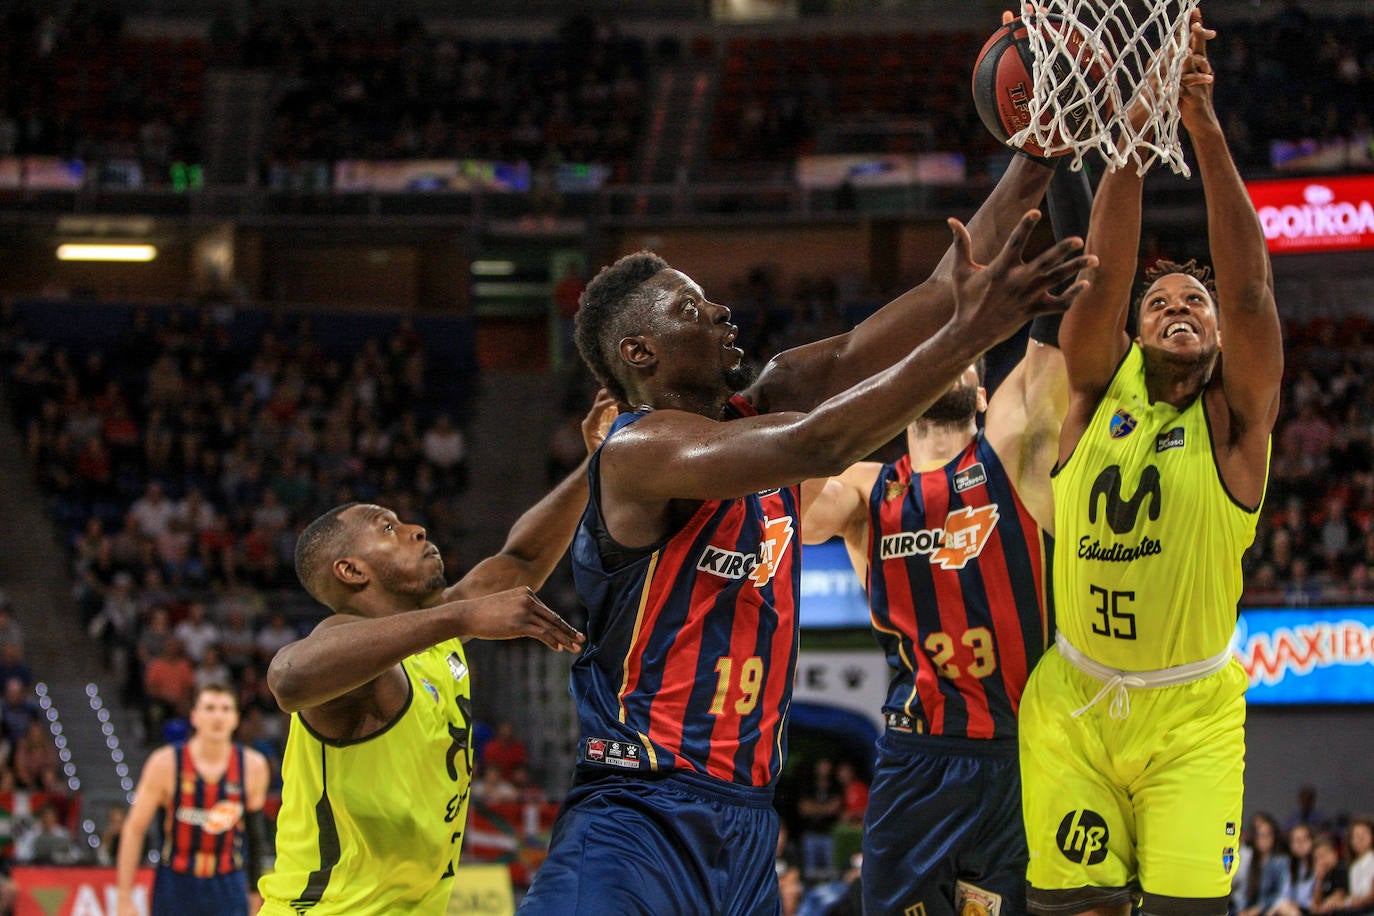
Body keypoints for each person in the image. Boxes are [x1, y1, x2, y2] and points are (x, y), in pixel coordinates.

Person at [518, 150, 1097, 912]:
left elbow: (930, 296)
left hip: (751, 819)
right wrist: (967, 336)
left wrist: (1036, 157)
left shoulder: (774, 392)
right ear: (639, 353)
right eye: (691, 310)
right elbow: (819, 444)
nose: (722, 313)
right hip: (639, 811)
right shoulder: (639, 449)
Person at [1016, 12, 1284, 916]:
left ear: (1216, 339)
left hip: (1191, 720)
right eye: (1161, 299)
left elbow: (1250, 292)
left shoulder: (1235, 423)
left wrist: (1200, 122)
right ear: (1133, 332)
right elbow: (1097, 275)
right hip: (1071, 706)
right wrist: (1131, 138)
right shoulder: (1094, 394)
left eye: (1194, 303)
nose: (1181, 304)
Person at [800, 163, 1092, 915]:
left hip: (1021, 753)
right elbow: (791, 502)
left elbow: (1082, 292)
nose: (950, 355)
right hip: (915, 758)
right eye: (931, 351)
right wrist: (865, 380)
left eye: (964, 349)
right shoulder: (868, 488)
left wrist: (1061, 157)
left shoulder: (1016, 451)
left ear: (987, 389)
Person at [255, 392, 614, 915]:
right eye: (387, 528)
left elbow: (522, 558)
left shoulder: (434, 635)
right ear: (352, 571)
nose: (415, 529)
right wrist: (460, 616)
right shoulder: (353, 647)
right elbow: (288, 678)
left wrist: (596, 463)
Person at [116, 683, 271, 916]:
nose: (218, 716)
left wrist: (254, 891)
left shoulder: (253, 766)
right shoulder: (165, 763)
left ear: (236, 718)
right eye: (209, 708)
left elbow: (255, 837)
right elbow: (134, 828)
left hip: (229, 883)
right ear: (195, 717)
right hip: (177, 883)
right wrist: (124, 897)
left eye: (225, 708)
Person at [1231, 813, 1292, 916]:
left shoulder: (1281, 861)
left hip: (1270, 909)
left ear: (1274, 836)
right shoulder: (1250, 860)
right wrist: (1242, 910)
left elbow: (1281, 893)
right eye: (1260, 835)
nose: (1264, 839)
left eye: (1268, 834)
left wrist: (1259, 908)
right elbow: (1244, 892)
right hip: (1249, 909)